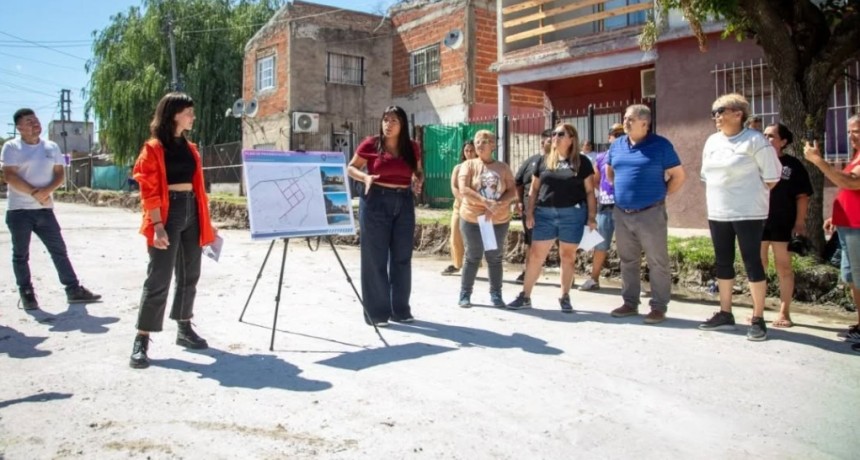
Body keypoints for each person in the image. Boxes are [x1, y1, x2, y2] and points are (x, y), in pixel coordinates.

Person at [129, 92, 218, 369]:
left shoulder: (190, 148)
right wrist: (157, 226)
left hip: (192, 209)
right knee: (159, 276)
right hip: (168, 213)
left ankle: (184, 327)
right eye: (189, 111)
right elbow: (149, 190)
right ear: (174, 114)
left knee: (190, 273)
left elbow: (199, 187)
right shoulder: (154, 148)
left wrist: (207, 221)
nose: (193, 116)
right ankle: (142, 339)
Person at [698, 93, 781, 341]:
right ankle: (725, 312)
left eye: (721, 111)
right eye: (714, 112)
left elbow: (772, 178)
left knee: (752, 263)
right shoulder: (711, 141)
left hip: (749, 213)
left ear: (738, 114)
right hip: (718, 212)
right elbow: (706, 176)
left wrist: (748, 196)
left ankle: (757, 318)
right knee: (723, 262)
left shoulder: (755, 141)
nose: (717, 116)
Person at [1, 108, 101, 310]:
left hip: (45, 210)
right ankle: (27, 293)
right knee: (21, 254)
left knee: (59, 251)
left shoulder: (51, 146)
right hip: (19, 211)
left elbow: (59, 174)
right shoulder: (11, 147)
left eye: (36, 120)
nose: (34, 123)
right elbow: (9, 176)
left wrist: (46, 192)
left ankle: (73, 290)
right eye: (28, 121)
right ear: (19, 127)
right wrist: (34, 193)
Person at [606, 104, 686, 325]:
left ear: (644, 122)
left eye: (630, 119)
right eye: (624, 118)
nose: (625, 122)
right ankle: (630, 303)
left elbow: (678, 176)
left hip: (651, 213)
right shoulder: (617, 145)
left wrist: (659, 196)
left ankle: (659, 307)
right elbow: (610, 174)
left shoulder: (661, 145)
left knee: (657, 261)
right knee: (627, 260)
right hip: (622, 213)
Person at [348, 106, 423, 327]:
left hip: (404, 202)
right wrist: (365, 177)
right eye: (385, 120)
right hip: (376, 201)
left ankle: (400, 309)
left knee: (402, 257)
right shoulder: (370, 144)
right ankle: (377, 313)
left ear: (402, 126)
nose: (388, 125)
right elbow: (351, 167)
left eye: (394, 121)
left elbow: (417, 171)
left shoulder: (412, 147)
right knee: (375, 258)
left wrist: (418, 180)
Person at [507, 123, 595, 313]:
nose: (555, 137)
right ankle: (525, 296)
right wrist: (529, 212)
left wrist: (592, 217)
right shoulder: (543, 161)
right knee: (536, 255)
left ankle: (564, 296)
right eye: (553, 134)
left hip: (572, 214)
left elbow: (590, 192)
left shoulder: (582, 162)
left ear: (571, 138)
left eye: (560, 134)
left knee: (568, 256)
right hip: (545, 213)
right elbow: (534, 189)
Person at [803, 114, 860, 352]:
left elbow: (852, 183)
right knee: (852, 279)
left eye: (855, 130)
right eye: (849, 131)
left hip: (857, 228)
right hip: (847, 226)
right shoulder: (856, 155)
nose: (850, 135)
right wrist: (835, 216)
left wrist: (819, 162)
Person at [456, 130, 516, 307]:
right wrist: (486, 202)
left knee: (495, 257)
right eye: (477, 141)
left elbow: (512, 191)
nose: (479, 145)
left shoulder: (503, 168)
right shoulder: (469, 165)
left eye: (484, 141)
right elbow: (464, 189)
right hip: (472, 219)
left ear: (493, 145)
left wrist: (497, 205)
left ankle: (496, 294)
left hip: (497, 220)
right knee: (473, 256)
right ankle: (465, 294)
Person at [761, 123, 812, 328]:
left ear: (783, 142)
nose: (766, 139)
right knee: (758, 266)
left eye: (771, 136)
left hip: (783, 223)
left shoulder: (793, 165)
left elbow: (802, 196)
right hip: (758, 222)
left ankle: (784, 313)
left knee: (783, 267)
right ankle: (758, 311)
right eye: (763, 135)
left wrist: (799, 223)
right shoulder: (756, 162)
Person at [580, 123, 625, 291]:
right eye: (615, 134)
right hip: (605, 205)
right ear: (609, 137)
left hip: (625, 206)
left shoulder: (629, 154)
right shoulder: (601, 157)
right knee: (600, 244)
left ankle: (631, 283)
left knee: (628, 246)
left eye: (621, 134)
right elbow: (595, 179)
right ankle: (594, 279)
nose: (618, 137)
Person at [513, 128, 551, 283]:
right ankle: (528, 272)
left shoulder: (566, 161)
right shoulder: (532, 161)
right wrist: (520, 201)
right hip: (532, 210)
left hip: (555, 209)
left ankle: (568, 275)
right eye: (545, 140)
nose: (546, 143)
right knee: (530, 241)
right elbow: (518, 182)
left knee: (561, 242)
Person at [441, 140, 477, 276]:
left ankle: (475, 263)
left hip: (476, 208)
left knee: (474, 237)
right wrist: (463, 201)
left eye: (471, 150)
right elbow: (454, 187)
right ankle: (457, 264)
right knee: (455, 233)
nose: (469, 153)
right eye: (466, 150)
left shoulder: (480, 167)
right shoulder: (458, 167)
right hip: (460, 206)